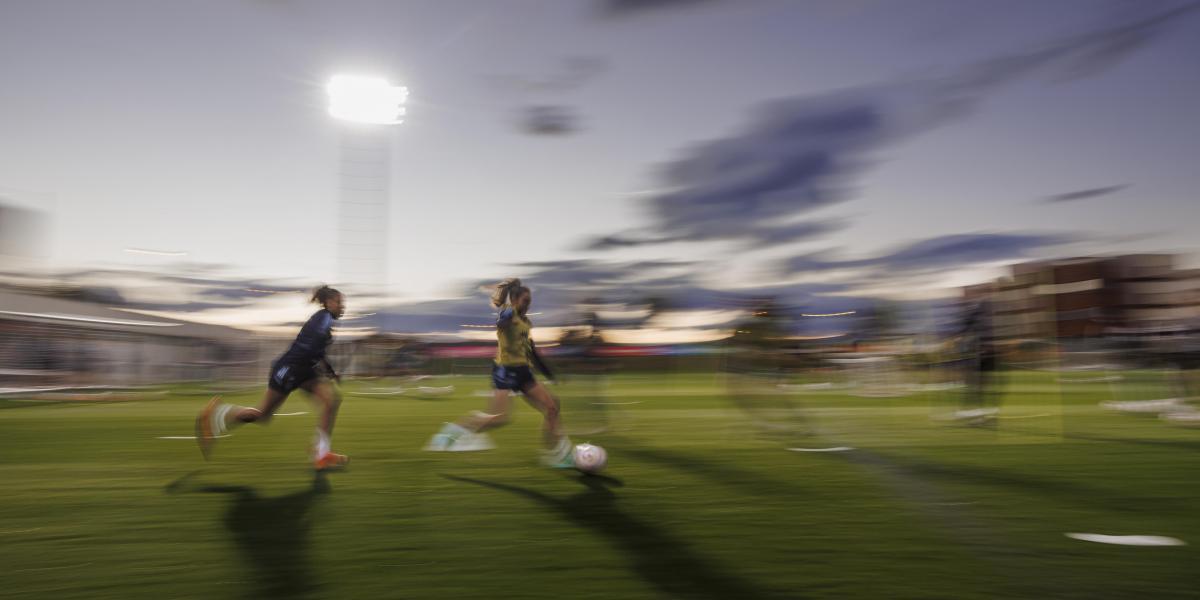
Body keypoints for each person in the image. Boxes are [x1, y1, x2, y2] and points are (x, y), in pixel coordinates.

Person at [195, 285, 348, 470]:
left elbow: (318, 350)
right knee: (262, 415)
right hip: (289, 370)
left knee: (331, 401)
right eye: (340, 302)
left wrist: (330, 371)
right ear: (330, 302)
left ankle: (321, 454)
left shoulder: (324, 319)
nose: (343, 306)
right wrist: (321, 366)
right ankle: (215, 414)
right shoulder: (323, 319)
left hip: (303, 371)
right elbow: (311, 347)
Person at [426, 278, 573, 467]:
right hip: (504, 371)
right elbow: (501, 322)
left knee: (552, 407)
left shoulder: (526, 322)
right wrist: (507, 306)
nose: (528, 304)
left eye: (530, 301)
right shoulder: (508, 314)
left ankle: (554, 454)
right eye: (525, 300)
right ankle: (454, 431)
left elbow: (532, 352)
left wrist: (551, 375)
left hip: (523, 372)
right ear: (516, 300)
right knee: (500, 418)